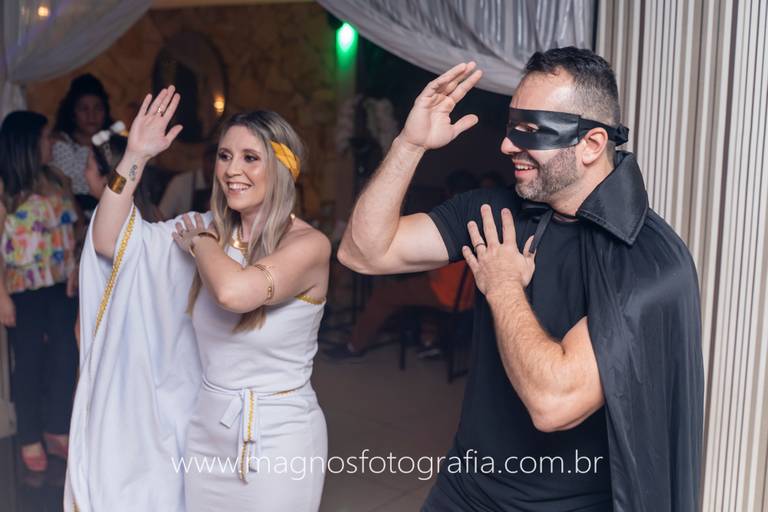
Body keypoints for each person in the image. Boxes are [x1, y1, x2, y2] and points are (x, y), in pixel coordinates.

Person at [338, 48, 703, 511]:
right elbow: (363, 252)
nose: (507, 146)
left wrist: (503, 285)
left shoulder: (646, 261)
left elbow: (553, 404)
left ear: (591, 144)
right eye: (512, 126)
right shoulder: (496, 212)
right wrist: (409, 145)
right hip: (463, 490)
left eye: (530, 130)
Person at [65, 86, 330, 511]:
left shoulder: (307, 245)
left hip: (280, 435)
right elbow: (108, 240)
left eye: (250, 157)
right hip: (206, 433)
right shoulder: (203, 227)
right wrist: (136, 155)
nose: (231, 170)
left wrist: (203, 243)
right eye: (225, 155)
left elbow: (234, 292)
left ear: (283, 168)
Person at [0, 111, 80, 472]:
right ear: (27, 144)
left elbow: (73, 228)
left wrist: (75, 265)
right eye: (47, 137)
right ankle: (29, 435)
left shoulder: (57, 179)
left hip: (61, 283)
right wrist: (1, 296)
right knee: (30, 361)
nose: (53, 143)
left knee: (66, 355)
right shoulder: (6, 189)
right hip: (23, 287)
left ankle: (57, 428)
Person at [325, 169, 476, 359]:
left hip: (443, 292)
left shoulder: (450, 220)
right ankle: (428, 340)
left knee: (382, 295)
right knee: (411, 289)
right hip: (468, 296)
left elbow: (432, 270)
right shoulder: (477, 218)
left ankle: (354, 346)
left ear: (449, 192)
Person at [52, 73, 114, 212]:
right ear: (73, 113)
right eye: (84, 109)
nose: (91, 116)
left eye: (98, 108)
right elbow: (65, 188)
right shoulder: (62, 144)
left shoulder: (113, 144)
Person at [158, 142, 216, 219]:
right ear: (204, 161)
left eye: (217, 163)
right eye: (212, 161)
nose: (214, 167)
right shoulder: (180, 183)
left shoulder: (222, 186)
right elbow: (162, 216)